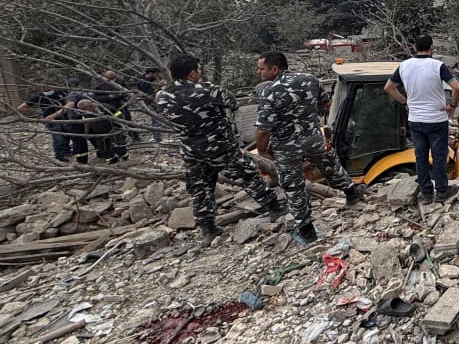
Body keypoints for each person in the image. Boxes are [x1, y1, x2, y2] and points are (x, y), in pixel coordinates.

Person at [156, 53, 284, 244]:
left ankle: (208, 229)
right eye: (199, 70)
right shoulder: (208, 90)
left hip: (191, 151)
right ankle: (274, 208)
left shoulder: (162, 96)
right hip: (219, 146)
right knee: (248, 176)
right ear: (192, 74)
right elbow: (232, 102)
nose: (200, 73)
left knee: (201, 189)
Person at [255, 51, 364, 244]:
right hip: (312, 137)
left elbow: (263, 130)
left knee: (293, 185)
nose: (259, 72)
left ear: (274, 69)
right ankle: (351, 192)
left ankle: (306, 230)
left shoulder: (269, 92)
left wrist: (263, 150)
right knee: (330, 164)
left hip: (287, 146)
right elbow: (326, 104)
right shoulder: (309, 79)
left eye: (261, 68)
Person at [384, 35, 459, 204]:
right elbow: (456, 87)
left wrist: (405, 102)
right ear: (432, 48)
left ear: (414, 48)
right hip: (436, 120)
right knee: (439, 156)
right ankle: (442, 190)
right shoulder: (437, 66)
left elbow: (389, 87)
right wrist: (452, 105)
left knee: (420, 157)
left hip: (416, 120)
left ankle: (426, 193)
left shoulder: (404, 66)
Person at [18, 82, 71, 161]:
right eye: (43, 86)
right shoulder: (39, 97)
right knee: (58, 138)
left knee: (67, 136)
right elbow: (21, 107)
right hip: (51, 120)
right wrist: (37, 114)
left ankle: (67, 151)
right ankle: (59, 155)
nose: (45, 88)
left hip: (64, 118)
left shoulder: (61, 92)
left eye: (46, 85)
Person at [92, 70, 131, 161]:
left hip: (121, 106)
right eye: (109, 78)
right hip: (107, 108)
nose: (112, 80)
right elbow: (96, 98)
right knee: (112, 128)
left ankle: (131, 137)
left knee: (127, 121)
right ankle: (116, 149)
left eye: (113, 78)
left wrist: (124, 98)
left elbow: (128, 91)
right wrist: (109, 96)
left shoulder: (120, 82)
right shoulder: (100, 86)